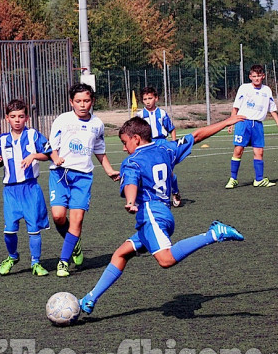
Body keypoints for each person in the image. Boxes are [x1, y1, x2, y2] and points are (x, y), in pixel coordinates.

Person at [78, 114, 247, 315]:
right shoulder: (166, 148)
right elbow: (198, 135)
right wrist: (227, 122)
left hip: (150, 214)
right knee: (121, 254)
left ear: (136, 139)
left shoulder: (132, 161)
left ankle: (214, 234)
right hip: (162, 214)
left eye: (125, 142)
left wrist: (130, 201)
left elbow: (131, 182)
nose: (124, 148)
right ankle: (90, 298)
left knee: (166, 259)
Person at [48, 83, 120, 277]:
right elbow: (51, 146)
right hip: (60, 174)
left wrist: (109, 170)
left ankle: (63, 262)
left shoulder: (97, 124)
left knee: (77, 220)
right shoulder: (62, 120)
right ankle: (75, 243)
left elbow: (99, 150)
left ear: (92, 101)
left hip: (83, 176)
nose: (82, 105)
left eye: (86, 101)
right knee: (58, 216)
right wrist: (56, 158)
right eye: (78, 101)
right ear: (71, 102)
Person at [0, 100, 52, 276]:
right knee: (9, 229)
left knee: (33, 228)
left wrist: (34, 156)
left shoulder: (34, 135)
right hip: (10, 191)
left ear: (26, 117)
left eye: (20, 116)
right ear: (7, 118)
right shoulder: (2, 140)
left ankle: (36, 263)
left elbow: (49, 154)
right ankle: (12, 256)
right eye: (13, 117)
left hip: (30, 188)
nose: (17, 120)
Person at [225, 64, 278, 189]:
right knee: (238, 150)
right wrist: (231, 122)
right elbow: (235, 107)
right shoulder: (244, 88)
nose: (256, 78)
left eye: (258, 76)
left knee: (259, 152)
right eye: (254, 76)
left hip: (257, 125)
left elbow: (272, 109)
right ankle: (233, 179)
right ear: (250, 77)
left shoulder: (267, 90)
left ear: (263, 76)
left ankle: (259, 179)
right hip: (243, 123)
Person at [138, 86, 182, 207]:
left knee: (168, 171)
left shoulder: (162, 113)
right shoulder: (140, 115)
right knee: (148, 171)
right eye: (145, 99)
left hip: (162, 144)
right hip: (147, 145)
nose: (147, 101)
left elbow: (171, 129)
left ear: (156, 98)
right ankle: (151, 197)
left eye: (150, 98)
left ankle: (176, 192)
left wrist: (174, 144)